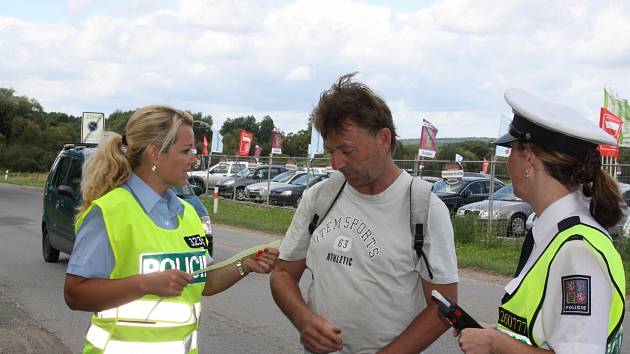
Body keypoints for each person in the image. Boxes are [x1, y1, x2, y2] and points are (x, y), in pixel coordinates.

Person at [64, 105, 278, 353]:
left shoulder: (187, 214)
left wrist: (245, 264)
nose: (194, 160)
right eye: (186, 151)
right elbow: (75, 294)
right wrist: (145, 284)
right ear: (155, 153)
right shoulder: (109, 213)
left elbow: (203, 281)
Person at [270, 73, 459, 353]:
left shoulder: (423, 208)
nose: (336, 163)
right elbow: (282, 274)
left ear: (383, 139)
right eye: (331, 151)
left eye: (346, 150)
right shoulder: (321, 197)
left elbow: (445, 307)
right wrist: (303, 319)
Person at [458, 89, 626, 354]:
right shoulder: (552, 234)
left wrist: (496, 344)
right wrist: (501, 335)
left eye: (512, 150)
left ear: (530, 159)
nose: (508, 161)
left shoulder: (577, 251)